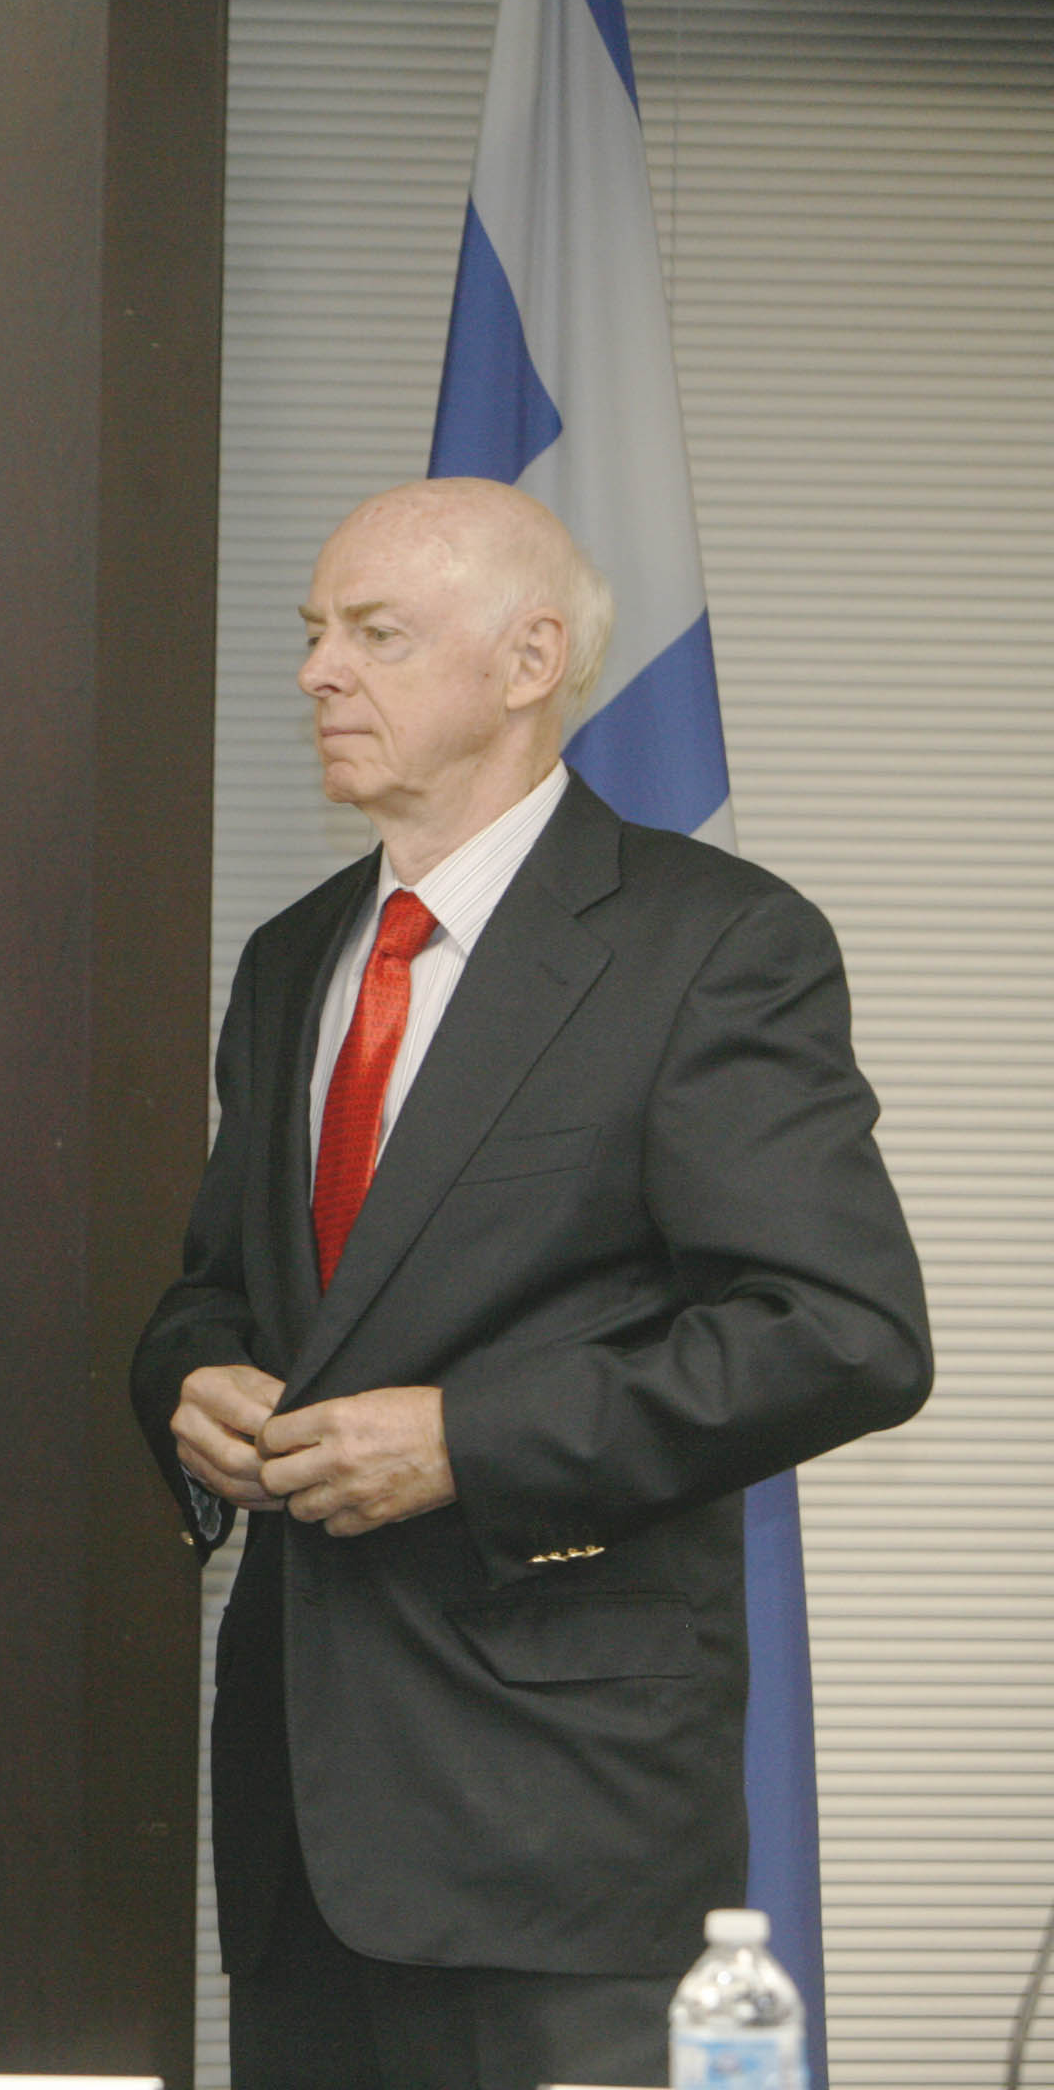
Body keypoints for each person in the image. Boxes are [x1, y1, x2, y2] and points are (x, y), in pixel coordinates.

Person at [132, 478, 930, 2090]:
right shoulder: (291, 960)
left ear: (529, 662)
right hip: (303, 1846)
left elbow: (843, 1332)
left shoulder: (711, 943)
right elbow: (219, 1289)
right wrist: (188, 1386)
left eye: (375, 634)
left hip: (561, 1835)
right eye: (314, 633)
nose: (317, 673)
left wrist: (467, 1441)